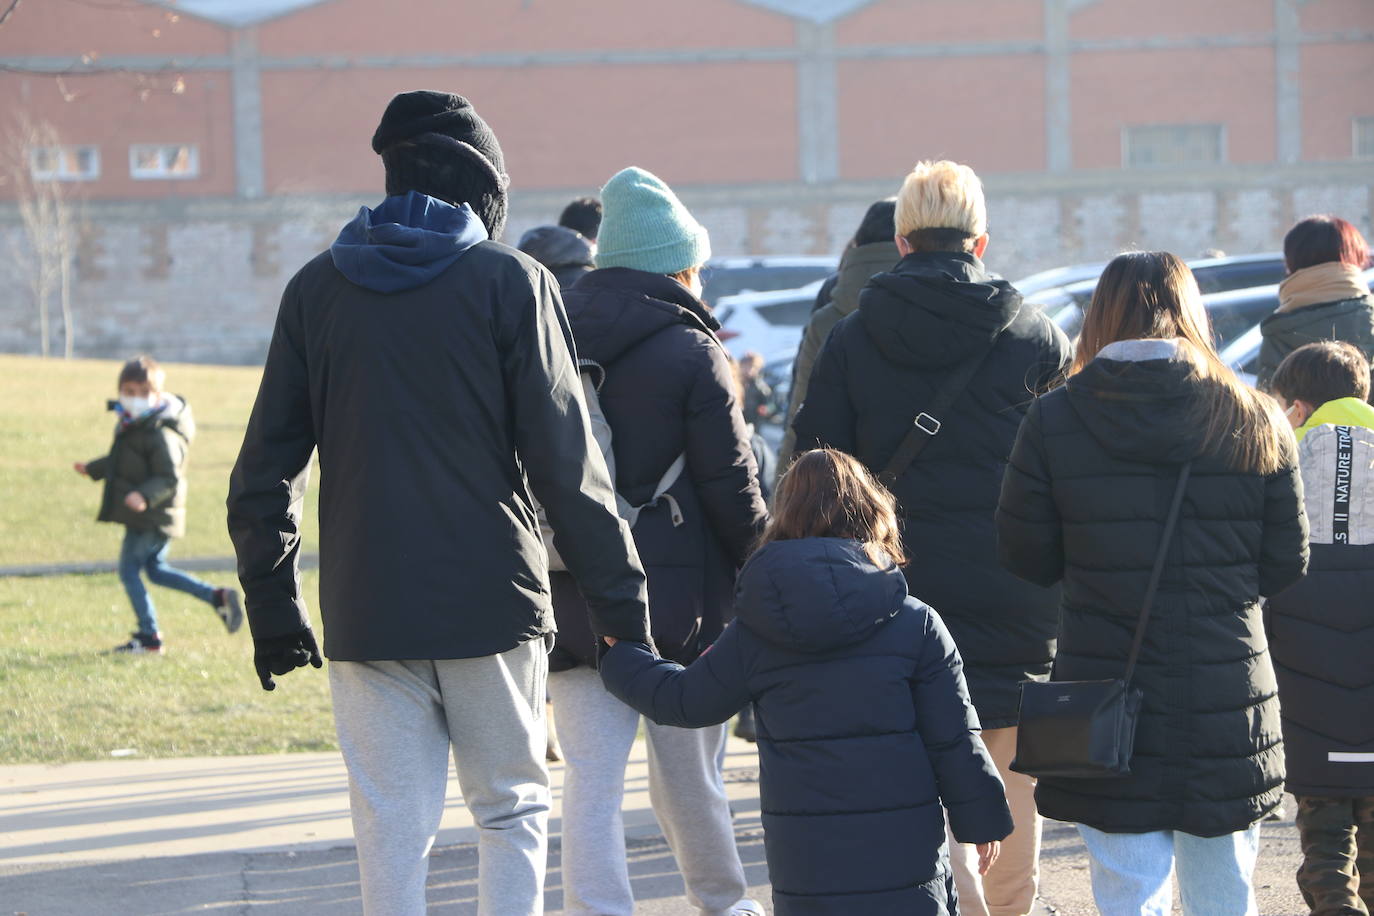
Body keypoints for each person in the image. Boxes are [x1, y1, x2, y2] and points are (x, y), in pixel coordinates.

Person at [226, 91, 652, 916]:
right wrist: (622, 604)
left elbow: (264, 471)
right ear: (483, 190)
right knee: (511, 808)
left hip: (367, 607)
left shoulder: (316, 290)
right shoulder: (512, 284)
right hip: (491, 602)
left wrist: (273, 605)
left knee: (390, 827)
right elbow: (570, 464)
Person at [791, 159, 1070, 916]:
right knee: (1010, 770)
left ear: (904, 242)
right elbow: (1069, 466)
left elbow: (814, 467)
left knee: (915, 763)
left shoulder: (851, 339)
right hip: (1015, 588)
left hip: (891, 589)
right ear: (980, 242)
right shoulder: (1036, 337)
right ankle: (1007, 907)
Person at [997, 251, 1310, 915]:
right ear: (1194, 312)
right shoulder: (1255, 416)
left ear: (1098, 317)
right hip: (1229, 687)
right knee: (1225, 889)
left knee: (1127, 891)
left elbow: (1025, 554)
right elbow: (1286, 562)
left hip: (1107, 683)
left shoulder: (1053, 419)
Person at [599, 448, 1013, 915]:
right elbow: (954, 736)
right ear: (872, 511)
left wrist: (625, 656)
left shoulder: (759, 627)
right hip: (905, 851)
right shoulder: (915, 622)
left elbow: (685, 701)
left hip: (808, 859)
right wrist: (981, 820)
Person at [547, 165, 768, 916]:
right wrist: (764, 568)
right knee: (689, 777)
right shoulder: (693, 351)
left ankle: (595, 909)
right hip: (681, 607)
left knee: (590, 779)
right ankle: (724, 903)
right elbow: (732, 488)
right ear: (678, 265)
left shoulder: (550, 337)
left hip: (573, 590)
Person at [1266, 341, 1374, 916]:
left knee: (1324, 825)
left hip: (1305, 669)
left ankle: (1334, 898)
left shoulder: (1278, 457)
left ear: (1301, 408)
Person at [75, 355, 242, 654]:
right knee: (155, 570)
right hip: (150, 515)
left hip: (153, 515)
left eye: (142, 393)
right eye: (128, 392)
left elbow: (169, 478)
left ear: (157, 394)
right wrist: (93, 469)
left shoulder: (160, 432)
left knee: (129, 570)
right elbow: (122, 461)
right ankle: (216, 597)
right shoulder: (133, 425)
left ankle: (149, 637)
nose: (134, 399)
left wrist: (144, 496)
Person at [778, 198, 898, 474]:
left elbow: (801, 407)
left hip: (841, 496)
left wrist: (781, 502)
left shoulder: (831, 303)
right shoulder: (945, 298)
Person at [1256, 215, 1374, 392]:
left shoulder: (1279, 331)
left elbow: (1271, 411)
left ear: (1292, 262)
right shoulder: (1370, 317)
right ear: (1355, 259)